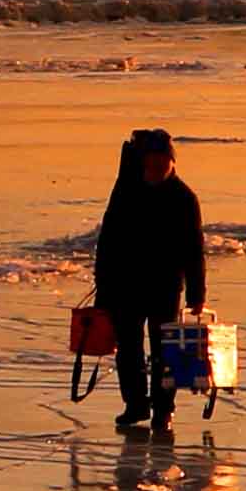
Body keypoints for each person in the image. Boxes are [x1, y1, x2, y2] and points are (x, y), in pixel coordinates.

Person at [91, 126, 206, 435]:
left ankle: (163, 410)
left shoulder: (184, 198)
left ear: (172, 163)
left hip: (164, 287)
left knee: (163, 350)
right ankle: (136, 405)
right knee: (128, 347)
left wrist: (197, 293)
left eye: (161, 163)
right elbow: (109, 240)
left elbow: (194, 250)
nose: (155, 168)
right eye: (151, 162)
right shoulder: (127, 191)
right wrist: (102, 284)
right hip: (125, 285)